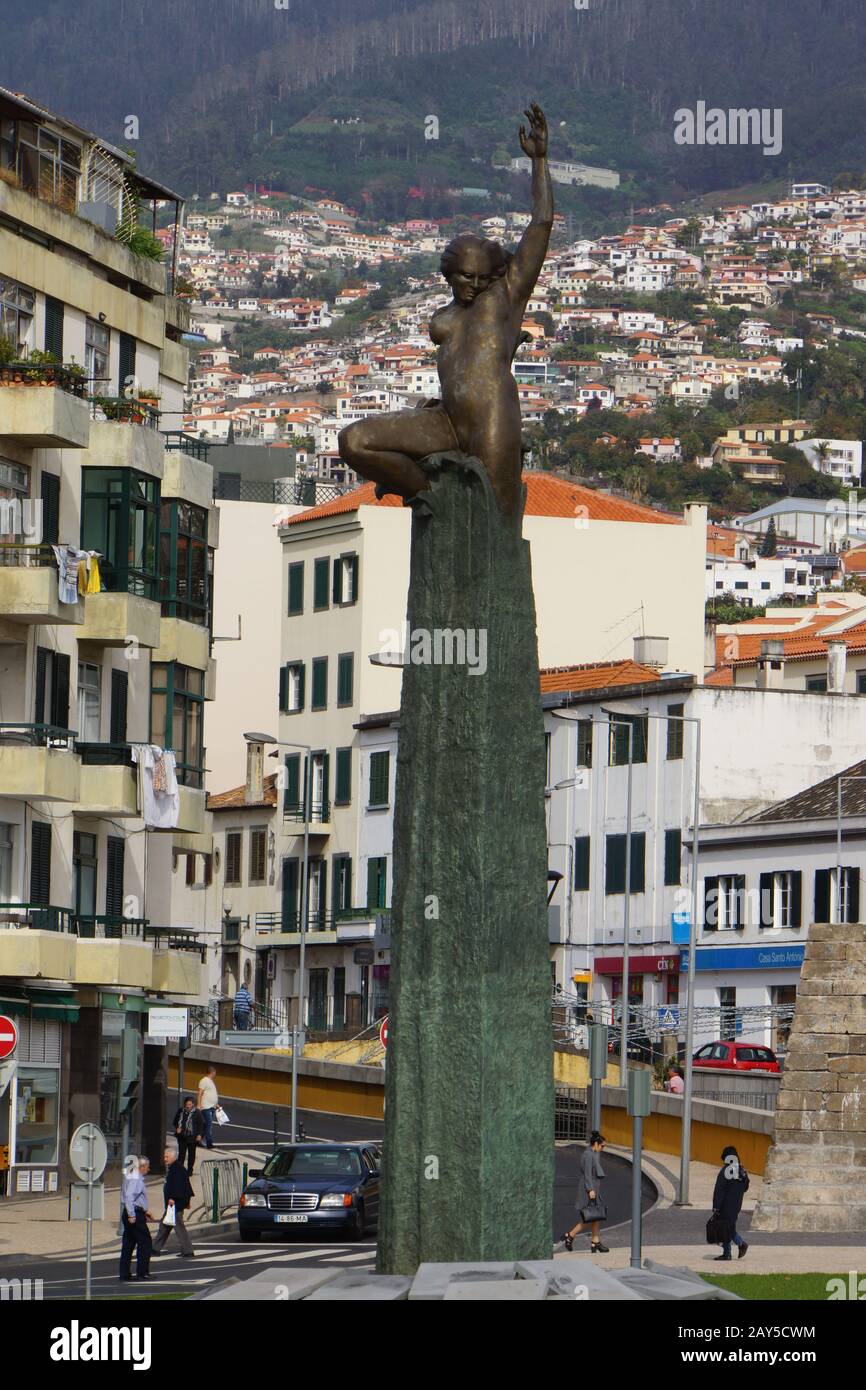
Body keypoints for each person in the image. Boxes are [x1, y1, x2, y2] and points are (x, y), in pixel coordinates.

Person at [338, 104, 553, 523]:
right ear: (449, 274)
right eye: (463, 278)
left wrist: (539, 161)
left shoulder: (506, 296)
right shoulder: (446, 314)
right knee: (355, 441)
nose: (472, 285)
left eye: (479, 278)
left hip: (492, 419)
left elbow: (541, 223)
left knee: (495, 522)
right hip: (446, 420)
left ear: (493, 275)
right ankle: (431, 495)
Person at [562, 1130, 610, 1254]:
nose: (603, 1148)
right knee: (589, 1216)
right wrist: (590, 1190)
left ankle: (595, 1242)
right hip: (589, 1188)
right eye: (602, 1146)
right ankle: (570, 1235)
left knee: (595, 1216)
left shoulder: (593, 1153)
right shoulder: (588, 1155)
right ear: (596, 1144)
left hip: (594, 1187)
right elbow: (587, 1174)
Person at [152, 1147, 195, 1259]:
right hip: (174, 1203)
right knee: (165, 1225)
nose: (165, 1159)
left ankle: (188, 1250)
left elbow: (178, 1186)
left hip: (175, 1204)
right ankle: (155, 1249)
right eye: (164, 1156)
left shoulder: (177, 1169)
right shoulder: (175, 1168)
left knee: (177, 1227)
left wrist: (173, 1198)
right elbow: (186, 1187)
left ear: (173, 1157)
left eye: (167, 1157)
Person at [119, 1156, 155, 1281]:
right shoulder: (136, 1179)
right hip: (134, 1214)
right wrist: (132, 1214)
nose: (148, 1169)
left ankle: (124, 1273)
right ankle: (142, 1272)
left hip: (134, 1212)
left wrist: (145, 1211)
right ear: (142, 1167)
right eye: (147, 1167)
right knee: (145, 1242)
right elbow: (129, 1197)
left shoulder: (130, 1176)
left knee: (128, 1243)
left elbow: (133, 1197)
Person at [712, 1144, 750, 1261]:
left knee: (725, 1228)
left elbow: (719, 1190)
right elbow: (745, 1187)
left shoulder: (725, 1172)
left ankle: (734, 1249)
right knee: (729, 1228)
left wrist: (716, 1206)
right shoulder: (741, 1171)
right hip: (736, 1205)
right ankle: (734, 1248)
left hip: (725, 1205)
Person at [173, 1096, 204, 1173]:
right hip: (182, 1136)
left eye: (189, 1104)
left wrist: (199, 1135)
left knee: (191, 1155)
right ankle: (180, 1170)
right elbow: (175, 1121)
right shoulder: (181, 1111)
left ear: (193, 1104)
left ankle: (190, 1170)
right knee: (181, 1155)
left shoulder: (197, 1113)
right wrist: (177, 1128)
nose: (188, 1106)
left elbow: (201, 1125)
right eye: (187, 1104)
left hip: (192, 1137)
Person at [196, 1064, 218, 1149]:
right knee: (209, 1125)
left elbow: (211, 1094)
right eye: (215, 1072)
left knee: (206, 1125)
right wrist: (198, 1104)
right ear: (212, 1072)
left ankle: (199, 1140)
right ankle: (209, 1143)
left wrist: (216, 1104)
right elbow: (200, 1093)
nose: (215, 1074)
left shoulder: (211, 1081)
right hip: (206, 1107)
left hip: (212, 1107)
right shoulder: (204, 1080)